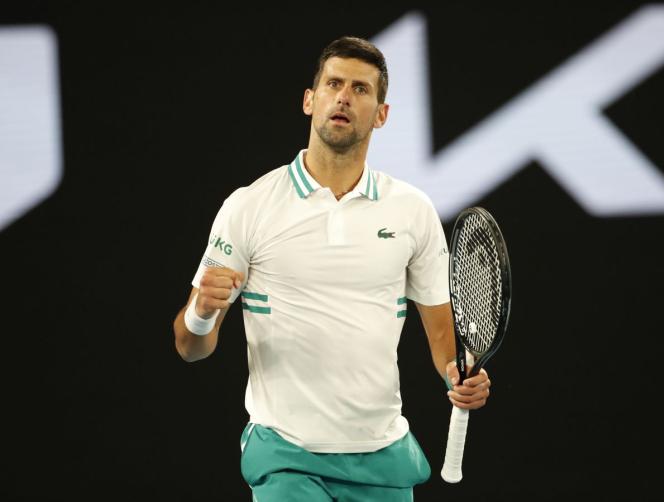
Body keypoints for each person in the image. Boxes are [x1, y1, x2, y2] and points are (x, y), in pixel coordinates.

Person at [173, 36, 491, 501]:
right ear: (310, 100)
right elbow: (190, 348)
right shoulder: (248, 207)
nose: (343, 97)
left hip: (383, 457)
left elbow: (444, 343)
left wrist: (457, 379)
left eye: (361, 89)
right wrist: (201, 311)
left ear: (382, 114)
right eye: (333, 84)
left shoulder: (412, 211)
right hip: (286, 456)